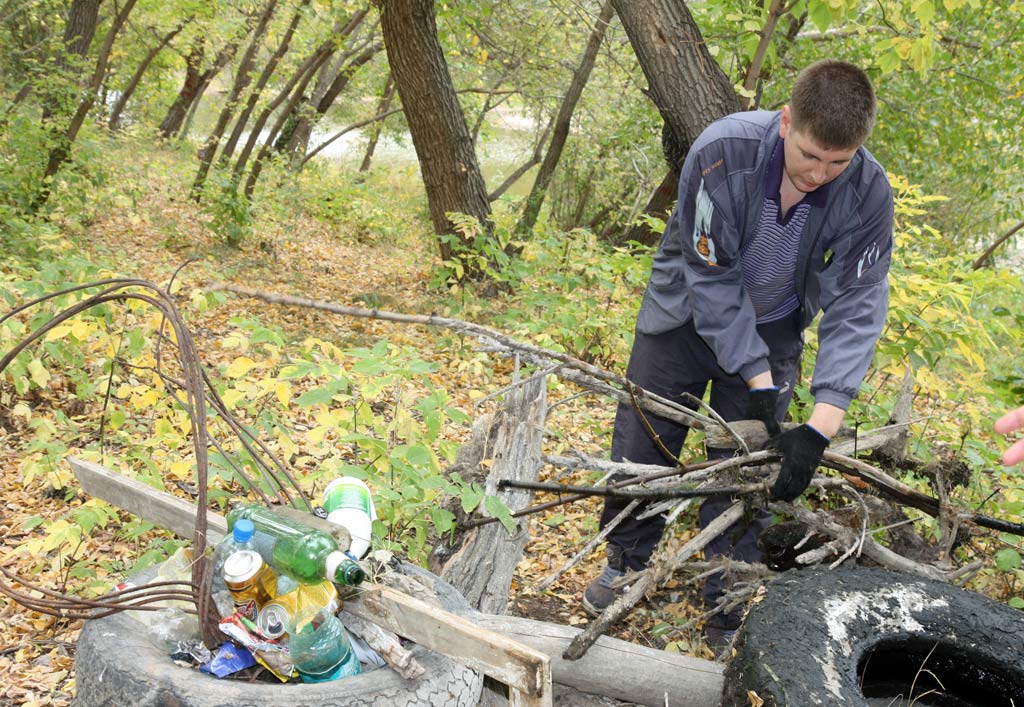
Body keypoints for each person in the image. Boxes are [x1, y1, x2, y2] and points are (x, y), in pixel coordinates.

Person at [581, 60, 895, 652]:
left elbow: (858, 306)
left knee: (750, 470)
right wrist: (755, 376)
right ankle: (625, 561)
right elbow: (712, 276)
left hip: (776, 326)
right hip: (682, 317)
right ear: (785, 122)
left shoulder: (868, 193)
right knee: (645, 444)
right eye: (810, 155)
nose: (820, 174)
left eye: (838, 162)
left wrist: (820, 426)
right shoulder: (721, 152)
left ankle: (725, 600)